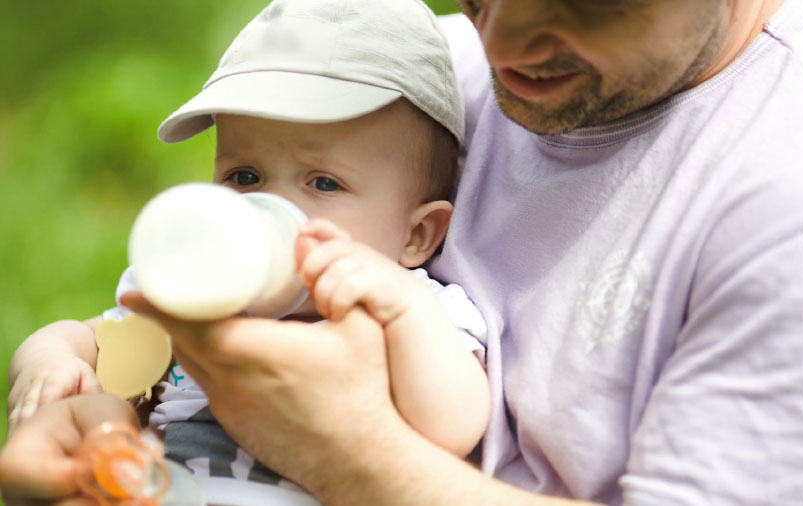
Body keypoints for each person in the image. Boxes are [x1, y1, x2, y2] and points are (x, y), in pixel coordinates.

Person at [4, 0, 803, 504]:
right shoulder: (418, 74)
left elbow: (446, 418)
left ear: (419, 234)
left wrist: (348, 447)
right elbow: (131, 349)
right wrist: (83, 398)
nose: (498, 44)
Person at [4, 0, 490, 504]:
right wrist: (49, 359)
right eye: (244, 176)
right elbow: (91, 337)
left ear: (417, 236)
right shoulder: (196, 290)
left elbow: (454, 428)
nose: (269, 205)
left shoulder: (411, 311)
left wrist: (404, 308)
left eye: (324, 182)